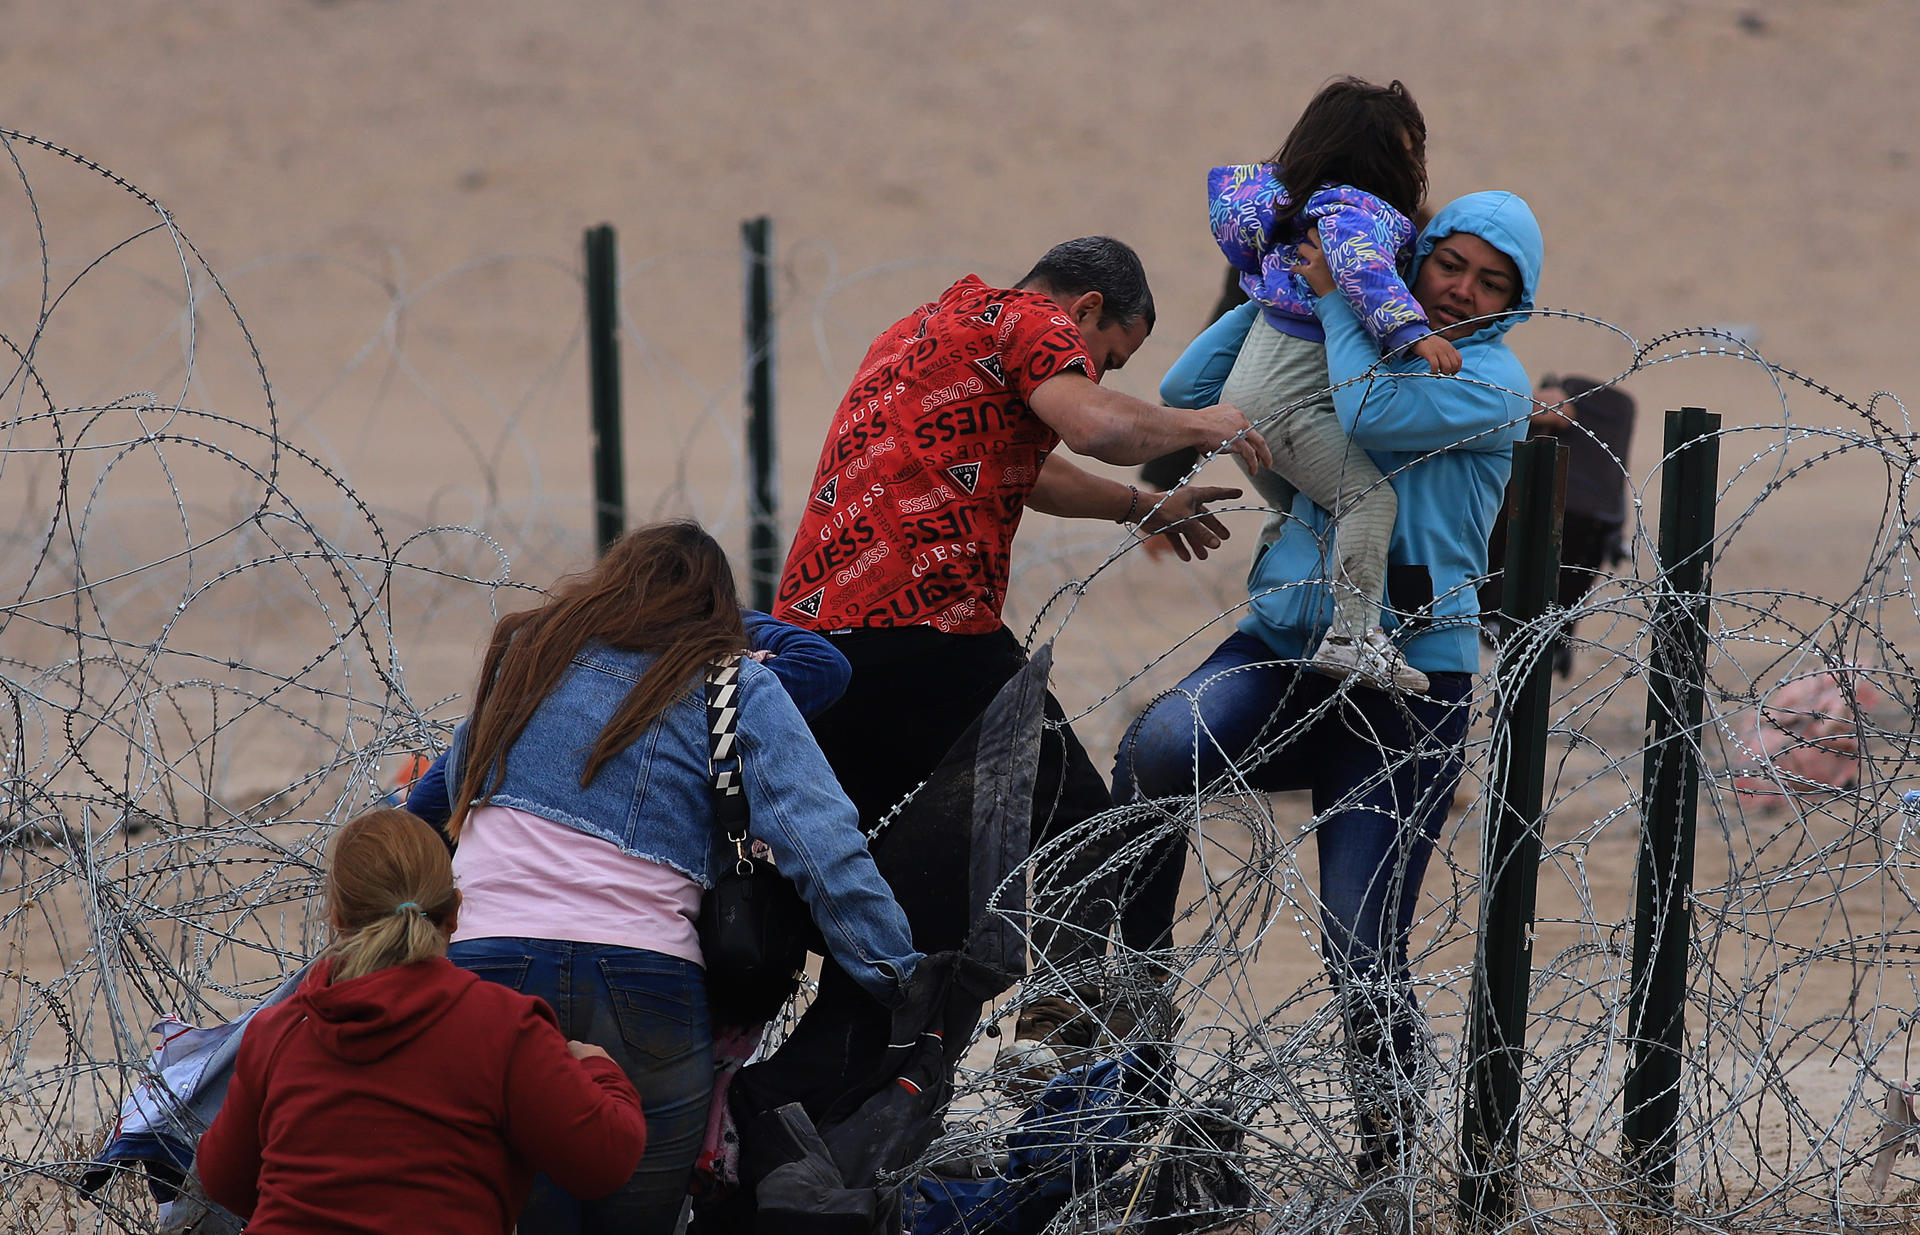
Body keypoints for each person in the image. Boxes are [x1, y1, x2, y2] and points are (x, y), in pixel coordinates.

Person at [738, 235, 1270, 1147]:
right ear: (1090, 309)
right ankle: (1080, 1035)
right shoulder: (1032, 321)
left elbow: (1023, 465)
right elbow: (1093, 424)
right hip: (929, 633)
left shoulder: (924, 328)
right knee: (1099, 827)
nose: (1098, 372)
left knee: (893, 893)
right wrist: (1197, 427)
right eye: (1108, 358)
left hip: (818, 651)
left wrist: (1135, 506)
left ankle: (792, 1110)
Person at [1114, 190, 1543, 1186]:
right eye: (1452, 267)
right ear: (1420, 258)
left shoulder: (1488, 375)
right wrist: (1279, 288)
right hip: (1284, 654)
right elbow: (1188, 386)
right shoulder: (1342, 329)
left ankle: (1386, 1166)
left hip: (1407, 687)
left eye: (1492, 283)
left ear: (1515, 303)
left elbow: (1367, 412)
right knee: (1154, 751)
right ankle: (1124, 1053)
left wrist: (1344, 294)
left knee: (1360, 935)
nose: (1462, 293)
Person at [430, 521, 923, 1235]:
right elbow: (825, 849)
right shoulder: (736, 682)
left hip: (483, 968)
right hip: (642, 979)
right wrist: (900, 978)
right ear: (719, 609)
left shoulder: (525, 662)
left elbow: (447, 795)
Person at [195, 808, 648, 1233]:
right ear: (454, 913)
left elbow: (224, 1180)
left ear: (336, 919)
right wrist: (598, 1070)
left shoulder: (281, 1030)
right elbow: (605, 1160)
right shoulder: (504, 1028)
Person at [1187, 76, 1460, 692]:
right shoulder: (1348, 213)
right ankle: (1353, 636)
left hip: (1251, 390)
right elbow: (1362, 272)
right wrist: (1413, 333)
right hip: (1288, 399)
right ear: (1377, 156)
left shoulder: (1291, 216)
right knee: (1370, 499)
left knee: (1313, 512)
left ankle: (1300, 606)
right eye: (1409, 150)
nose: (1417, 165)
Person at [1479, 374, 1637, 675]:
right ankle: (1540, 643)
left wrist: (1516, 401)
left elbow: (1558, 410)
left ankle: (1542, 644)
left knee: (1538, 585)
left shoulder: (1593, 411)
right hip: (1581, 518)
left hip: (1567, 516)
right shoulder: (1614, 416)